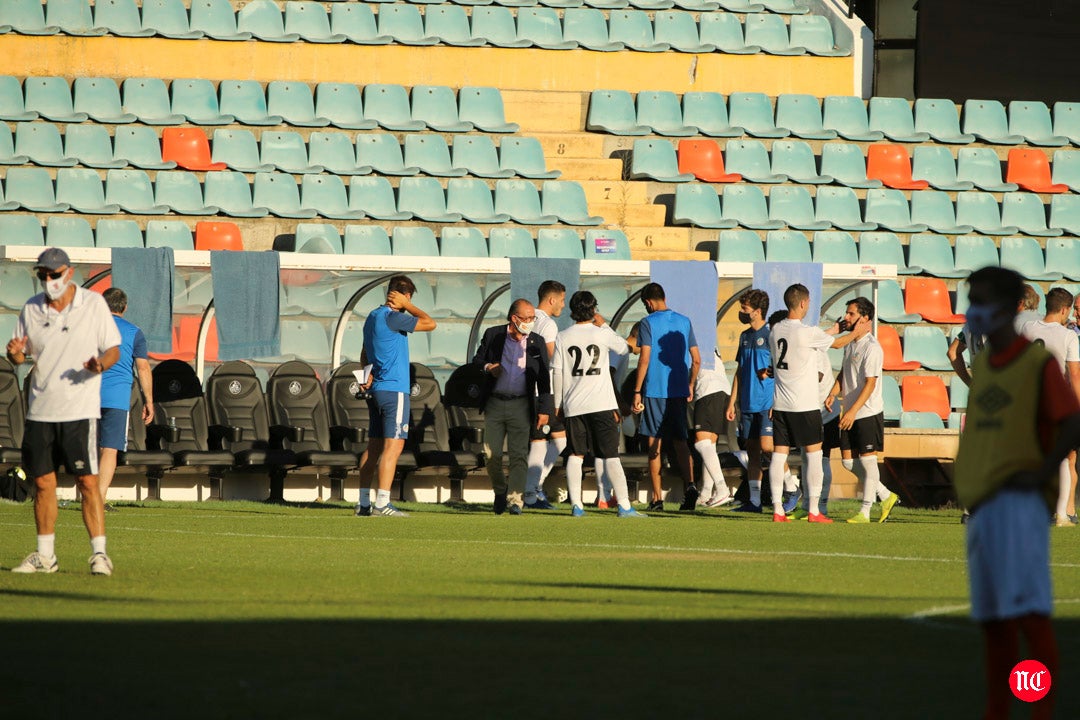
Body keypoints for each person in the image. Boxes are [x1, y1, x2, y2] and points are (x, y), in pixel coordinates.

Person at [953, 267, 1080, 720]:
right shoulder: (987, 364)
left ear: (1007, 308)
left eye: (979, 301)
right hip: (984, 506)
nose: (971, 311)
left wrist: (1039, 473)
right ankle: (997, 709)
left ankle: (1038, 711)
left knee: (1028, 615)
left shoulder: (1036, 364)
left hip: (1020, 507)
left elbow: (1071, 421)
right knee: (993, 619)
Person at [8, 248, 121, 575]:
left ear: (69, 273)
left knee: (87, 481)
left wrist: (100, 364)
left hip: (79, 410)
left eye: (54, 274)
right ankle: (46, 556)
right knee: (43, 483)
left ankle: (99, 554)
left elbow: (112, 348)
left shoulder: (93, 304)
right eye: (43, 274)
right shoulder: (30, 308)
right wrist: (15, 354)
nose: (48, 280)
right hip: (41, 411)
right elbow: (21, 356)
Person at [767, 283, 860, 523]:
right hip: (805, 405)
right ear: (802, 303)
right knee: (815, 455)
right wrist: (857, 332)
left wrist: (831, 330)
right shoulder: (807, 332)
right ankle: (814, 511)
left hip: (780, 404)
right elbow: (838, 344)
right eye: (808, 302)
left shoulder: (775, 330)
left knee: (779, 456)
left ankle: (778, 510)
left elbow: (805, 343)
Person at [552, 291, 644, 518]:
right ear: (593, 309)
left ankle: (577, 506)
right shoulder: (601, 333)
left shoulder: (563, 336)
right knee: (611, 455)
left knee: (575, 455)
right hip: (601, 404)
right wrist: (604, 326)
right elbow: (624, 348)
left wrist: (558, 405)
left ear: (572, 310)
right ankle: (624, 505)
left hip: (574, 405)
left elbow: (558, 373)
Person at [355, 275, 436, 518]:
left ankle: (363, 504)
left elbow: (363, 353)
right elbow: (430, 323)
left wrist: (366, 376)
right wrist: (407, 306)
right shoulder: (393, 317)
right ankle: (382, 503)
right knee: (393, 447)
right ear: (404, 296)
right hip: (394, 391)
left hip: (376, 391)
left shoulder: (372, 317)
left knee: (373, 448)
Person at [822, 299, 900, 524]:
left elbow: (870, 384)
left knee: (867, 462)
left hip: (866, 412)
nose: (846, 317)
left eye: (851, 313)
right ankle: (885, 495)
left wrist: (852, 411)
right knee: (848, 462)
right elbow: (845, 373)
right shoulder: (850, 343)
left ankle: (865, 512)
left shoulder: (872, 347)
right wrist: (833, 393)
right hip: (850, 411)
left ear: (865, 319)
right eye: (846, 313)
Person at [474, 298, 552, 515]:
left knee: (519, 454)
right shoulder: (493, 335)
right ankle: (500, 490)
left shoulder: (537, 341)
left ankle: (515, 501)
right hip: (495, 403)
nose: (530, 322)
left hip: (521, 404)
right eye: (526, 318)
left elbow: (544, 379)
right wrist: (489, 367)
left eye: (532, 318)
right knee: (492, 454)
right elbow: (477, 361)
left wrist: (545, 409)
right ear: (514, 318)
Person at [631, 282, 700, 512]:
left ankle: (657, 498)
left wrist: (637, 390)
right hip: (678, 390)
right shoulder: (684, 321)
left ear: (649, 302)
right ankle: (690, 487)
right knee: (681, 442)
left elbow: (644, 358)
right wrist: (690, 384)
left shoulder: (647, 323)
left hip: (655, 391)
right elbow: (696, 359)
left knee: (654, 443)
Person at [1021, 286, 1080, 526]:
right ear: (1065, 309)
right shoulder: (1068, 336)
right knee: (1064, 460)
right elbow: (1074, 375)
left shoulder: (1027, 328)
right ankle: (1062, 514)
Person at [97, 288, 154, 509]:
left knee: (87, 448)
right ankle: (98, 499)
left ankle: (85, 496)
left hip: (86, 396)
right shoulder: (134, 332)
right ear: (125, 307)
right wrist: (148, 401)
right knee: (109, 449)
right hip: (117, 399)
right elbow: (143, 368)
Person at [726, 289, 773, 513]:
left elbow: (780, 369)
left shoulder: (771, 335)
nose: (742, 312)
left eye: (745, 309)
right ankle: (754, 501)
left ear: (757, 311)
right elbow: (740, 370)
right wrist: (732, 401)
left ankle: (791, 487)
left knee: (768, 447)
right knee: (753, 452)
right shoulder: (745, 337)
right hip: (746, 403)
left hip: (766, 402)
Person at [524, 280, 566, 510]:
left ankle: (534, 486)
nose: (563, 305)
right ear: (552, 299)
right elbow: (552, 359)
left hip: (530, 389)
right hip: (543, 391)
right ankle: (531, 492)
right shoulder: (548, 325)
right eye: (561, 300)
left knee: (558, 439)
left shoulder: (529, 318)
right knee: (540, 440)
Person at [693, 349, 734, 508]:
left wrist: (690, 384)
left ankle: (722, 488)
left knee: (701, 443)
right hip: (722, 389)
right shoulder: (708, 338)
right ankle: (705, 493)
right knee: (709, 445)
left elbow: (695, 362)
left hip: (707, 390)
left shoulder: (694, 336)